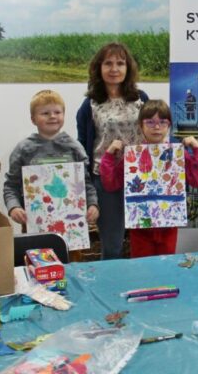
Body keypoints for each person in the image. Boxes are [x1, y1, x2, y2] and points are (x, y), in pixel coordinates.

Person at [99, 100, 198, 257]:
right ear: (140, 126)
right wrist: (109, 155)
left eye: (162, 122)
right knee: (142, 267)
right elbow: (110, 184)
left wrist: (197, 150)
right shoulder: (133, 155)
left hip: (168, 225)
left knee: (166, 265)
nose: (157, 127)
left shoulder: (177, 153)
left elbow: (197, 180)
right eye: (150, 122)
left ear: (169, 125)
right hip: (141, 228)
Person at [76, 42, 149, 259]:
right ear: (99, 68)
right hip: (105, 178)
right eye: (108, 63)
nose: (114, 69)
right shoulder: (90, 104)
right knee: (112, 243)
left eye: (120, 63)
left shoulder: (141, 98)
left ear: (128, 68)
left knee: (144, 241)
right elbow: (83, 145)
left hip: (141, 175)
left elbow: (155, 128)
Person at [3, 90, 99, 228]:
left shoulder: (75, 147)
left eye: (57, 112)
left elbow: (86, 182)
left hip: (71, 225)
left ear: (64, 115)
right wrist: (14, 207)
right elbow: (11, 185)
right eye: (45, 113)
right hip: (34, 222)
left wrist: (93, 204)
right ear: (33, 119)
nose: (52, 116)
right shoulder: (23, 149)